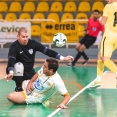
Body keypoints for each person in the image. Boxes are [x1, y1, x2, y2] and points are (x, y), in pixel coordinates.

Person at [5, 27, 74, 92]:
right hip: (15, 71)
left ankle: (23, 85)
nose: (25, 39)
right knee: (19, 65)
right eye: (23, 37)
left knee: (38, 86)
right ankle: (18, 87)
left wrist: (62, 58)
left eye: (26, 37)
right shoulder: (14, 46)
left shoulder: (33, 43)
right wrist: (11, 72)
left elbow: (47, 51)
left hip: (29, 71)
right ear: (18, 37)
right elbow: (11, 60)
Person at [90, 0, 117, 88]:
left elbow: (103, 22)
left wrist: (101, 19)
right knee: (100, 55)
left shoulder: (108, 7)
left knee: (104, 59)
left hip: (109, 35)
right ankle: (98, 80)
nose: (106, 0)